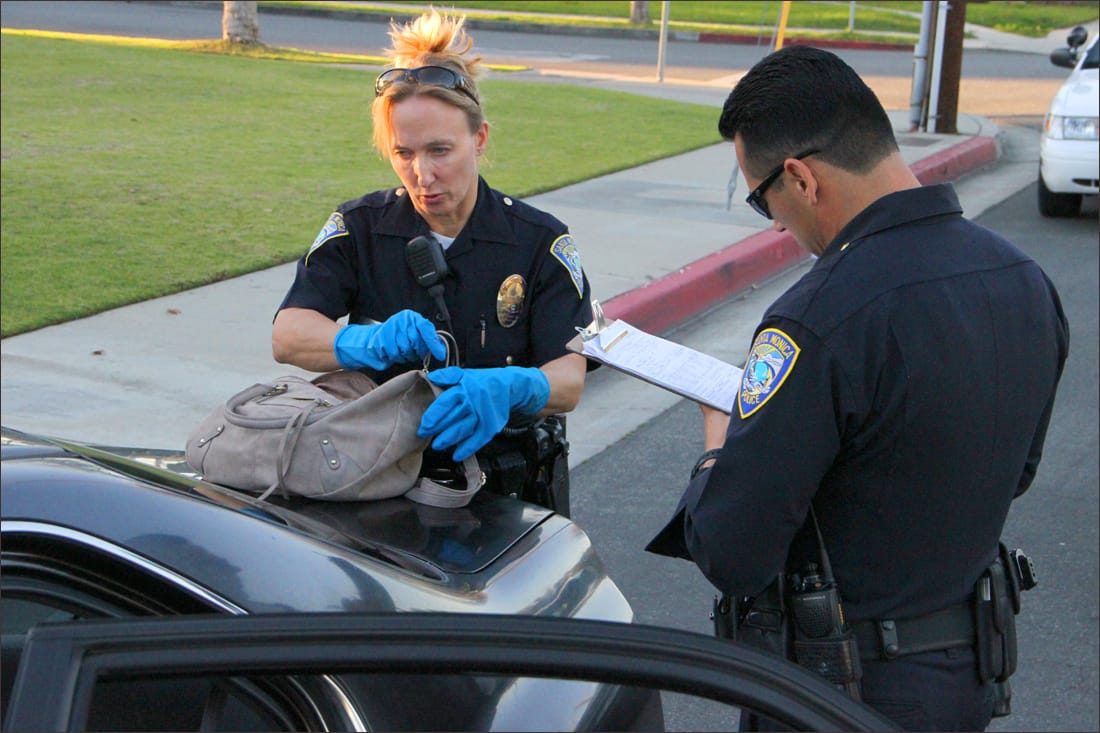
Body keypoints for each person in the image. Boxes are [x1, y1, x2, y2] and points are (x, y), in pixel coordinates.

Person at [646, 45, 1069, 731]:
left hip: (839, 690)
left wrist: (717, 449)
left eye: (763, 202)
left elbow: (732, 547)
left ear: (801, 179)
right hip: (968, 676)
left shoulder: (819, 317)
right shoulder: (1022, 279)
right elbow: (1014, 470)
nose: (777, 224)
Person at [272, 9, 592, 513]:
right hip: (375, 478)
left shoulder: (540, 241)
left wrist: (514, 386)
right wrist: (362, 342)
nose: (422, 174)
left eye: (441, 150)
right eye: (404, 152)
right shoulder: (360, 226)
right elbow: (288, 334)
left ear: (480, 138)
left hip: (506, 491)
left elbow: (570, 378)